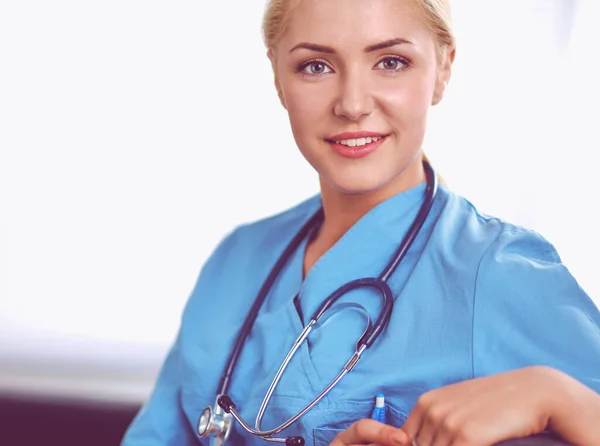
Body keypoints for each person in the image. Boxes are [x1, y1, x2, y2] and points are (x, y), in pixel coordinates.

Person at [121, 0, 600, 445]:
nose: (351, 104)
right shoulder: (236, 261)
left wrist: (557, 394)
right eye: (316, 66)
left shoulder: (497, 272)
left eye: (390, 62)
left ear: (443, 68)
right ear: (277, 77)